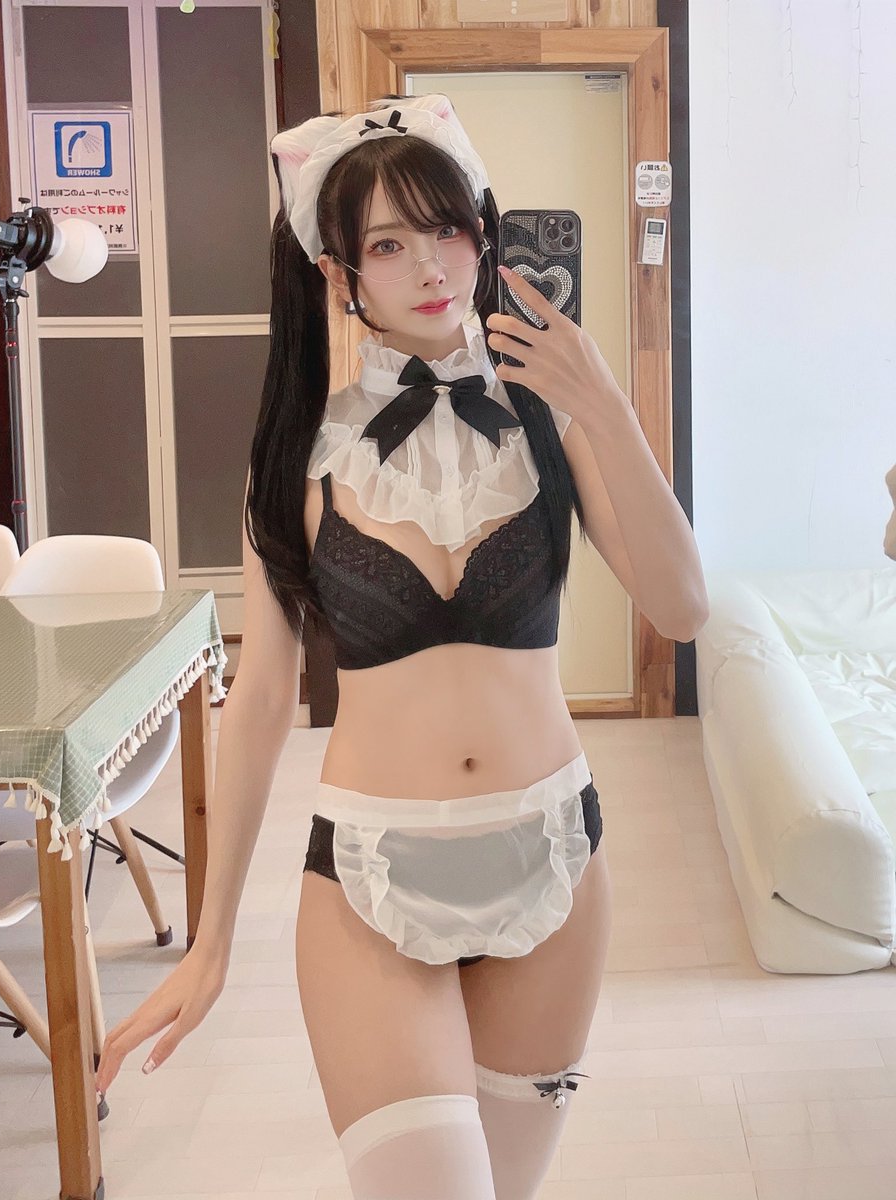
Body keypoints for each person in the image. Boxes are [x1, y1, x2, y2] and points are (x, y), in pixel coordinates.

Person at [95, 93, 709, 1199]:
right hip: (369, 879)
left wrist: (606, 401)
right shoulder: (299, 454)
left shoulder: (553, 420)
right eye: (388, 244)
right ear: (340, 274)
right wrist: (210, 943)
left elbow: (685, 607)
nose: (430, 265)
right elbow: (262, 700)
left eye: (448, 228)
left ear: (483, 234)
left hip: (553, 861)